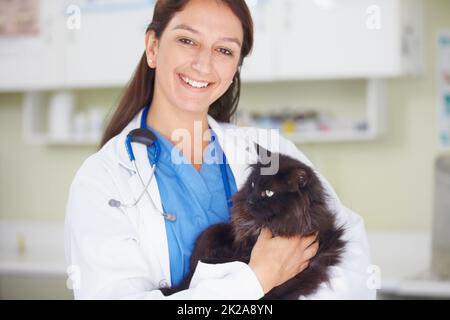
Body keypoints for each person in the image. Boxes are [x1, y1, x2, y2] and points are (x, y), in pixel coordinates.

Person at [64, 0, 375, 300]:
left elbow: (350, 253)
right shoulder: (102, 179)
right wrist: (257, 279)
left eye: (224, 50)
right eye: (187, 40)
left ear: (235, 68)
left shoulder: (268, 153)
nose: (203, 63)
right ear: (153, 47)